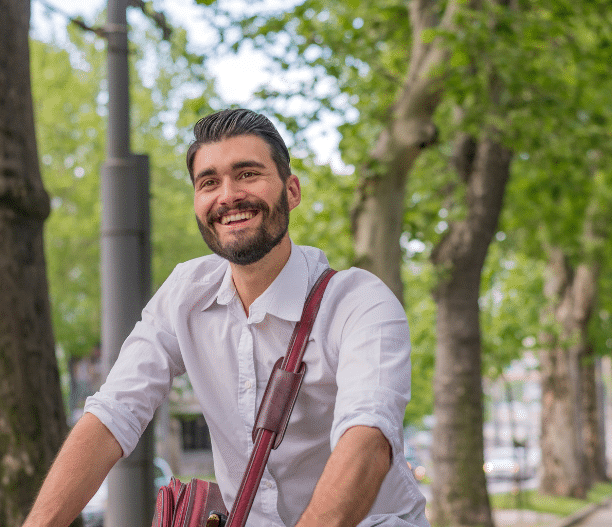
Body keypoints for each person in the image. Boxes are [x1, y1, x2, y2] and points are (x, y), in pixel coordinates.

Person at [22, 109, 429, 527]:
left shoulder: (360, 302)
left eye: (248, 174)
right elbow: (113, 415)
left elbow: (368, 439)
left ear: (291, 191)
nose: (228, 195)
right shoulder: (185, 294)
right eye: (209, 182)